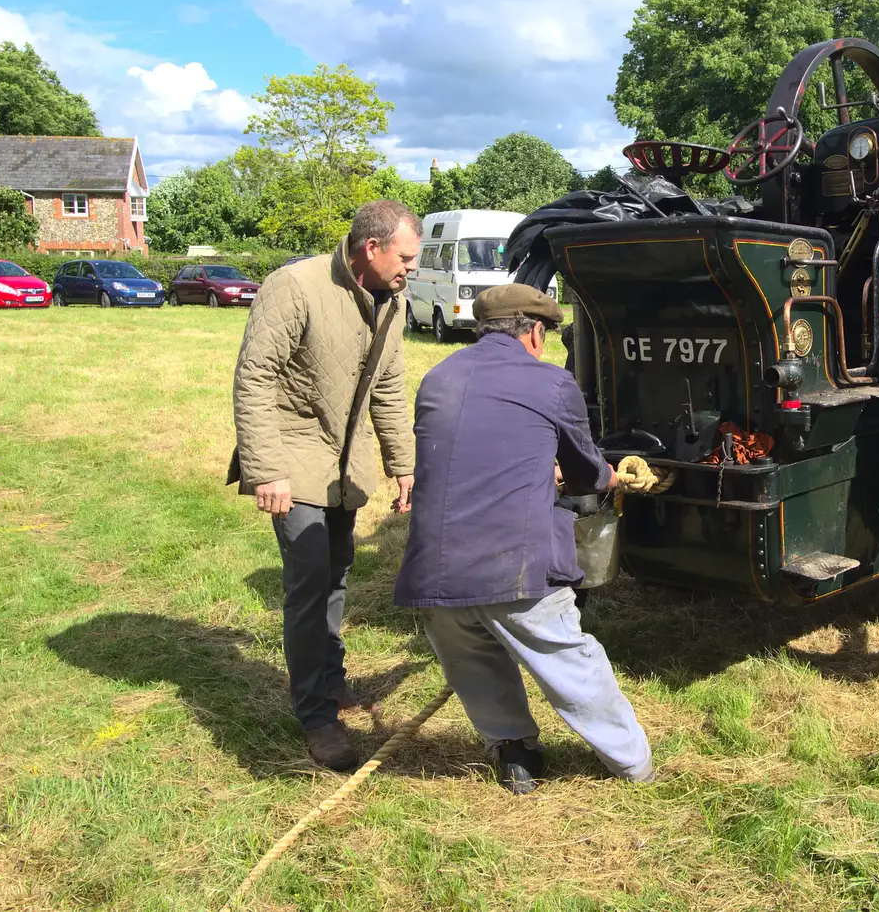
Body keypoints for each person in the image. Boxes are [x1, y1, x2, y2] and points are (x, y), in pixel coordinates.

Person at [393, 284, 653, 794]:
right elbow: (585, 473)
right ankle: (634, 766)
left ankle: (514, 753)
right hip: (514, 567)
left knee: (472, 660)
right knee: (572, 663)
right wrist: (612, 478)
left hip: (435, 574)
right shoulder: (552, 383)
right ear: (534, 332)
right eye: (547, 335)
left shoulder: (437, 377)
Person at [229, 200, 422, 771]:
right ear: (372, 248)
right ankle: (316, 715)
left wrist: (402, 462)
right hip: (292, 458)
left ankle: (331, 682)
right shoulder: (292, 286)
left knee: (337, 569)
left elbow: (388, 385)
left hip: (346, 464)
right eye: (406, 257)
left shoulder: (395, 300)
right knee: (310, 580)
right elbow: (254, 376)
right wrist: (266, 470)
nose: (411, 268)